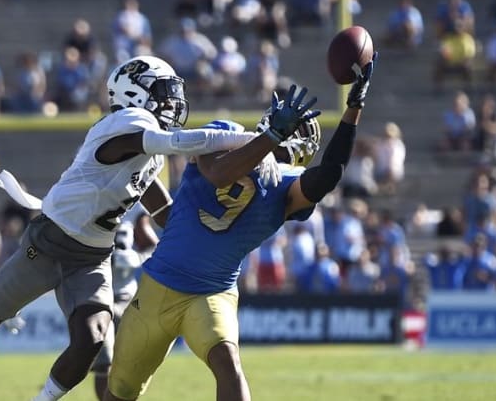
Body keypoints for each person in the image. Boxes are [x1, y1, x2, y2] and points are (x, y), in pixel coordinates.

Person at [0, 55, 307, 401]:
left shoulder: (150, 148)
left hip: (93, 254)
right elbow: (179, 143)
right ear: (134, 92)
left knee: (92, 337)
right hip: (51, 239)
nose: (172, 102)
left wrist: (200, 240)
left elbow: (164, 210)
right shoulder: (128, 122)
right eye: (163, 92)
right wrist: (264, 141)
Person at [103, 53, 377, 401]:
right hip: (158, 285)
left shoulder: (288, 188)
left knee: (227, 362)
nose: (287, 131)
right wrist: (269, 140)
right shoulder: (225, 133)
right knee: (120, 392)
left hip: (211, 292)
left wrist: (353, 108)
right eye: (286, 124)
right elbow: (218, 172)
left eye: (294, 129)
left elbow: (330, 173)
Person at [92, 223, 143, 400]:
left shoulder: (136, 212)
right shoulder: (92, 211)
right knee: (103, 363)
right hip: (100, 299)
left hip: (129, 299)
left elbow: (154, 245)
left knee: (130, 363)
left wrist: (135, 256)